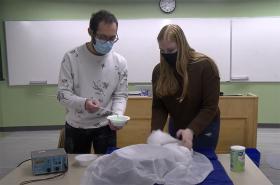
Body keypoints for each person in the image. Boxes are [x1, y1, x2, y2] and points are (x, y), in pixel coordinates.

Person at [57, 10, 128, 154]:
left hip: (106, 126)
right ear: (90, 32)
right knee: (74, 169)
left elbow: (120, 95)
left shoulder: (119, 62)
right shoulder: (71, 58)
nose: (108, 42)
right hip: (77, 125)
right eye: (102, 37)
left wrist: (117, 116)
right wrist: (84, 103)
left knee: (107, 169)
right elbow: (63, 94)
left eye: (112, 38)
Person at [151, 24, 220, 151]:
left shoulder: (205, 66)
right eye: (162, 51)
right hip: (177, 126)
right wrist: (155, 134)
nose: (167, 55)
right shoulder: (159, 71)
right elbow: (159, 107)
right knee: (177, 164)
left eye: (171, 50)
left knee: (203, 163)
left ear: (182, 45)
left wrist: (191, 130)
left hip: (204, 126)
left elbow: (210, 107)